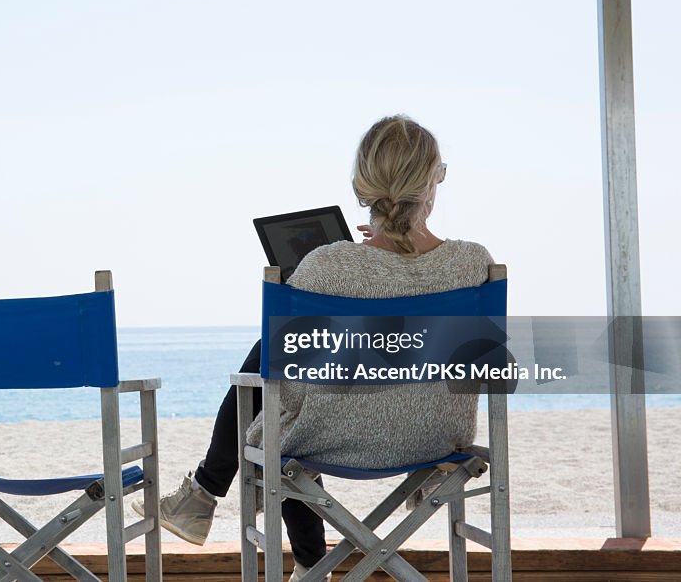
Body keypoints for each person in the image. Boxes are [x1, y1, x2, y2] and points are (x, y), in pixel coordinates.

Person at [133, 115, 495, 581]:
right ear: (431, 182)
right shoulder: (474, 263)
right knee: (288, 387)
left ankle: (237, 517)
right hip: (438, 443)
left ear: (362, 186)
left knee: (272, 381)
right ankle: (292, 553)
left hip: (330, 441)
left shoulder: (324, 267)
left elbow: (284, 375)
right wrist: (389, 259)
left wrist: (363, 262)